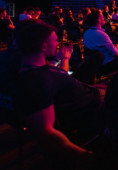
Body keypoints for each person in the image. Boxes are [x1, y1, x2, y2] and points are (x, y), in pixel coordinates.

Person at [15, 20, 101, 165]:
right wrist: (85, 156)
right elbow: (46, 131)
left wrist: (64, 59)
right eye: (55, 40)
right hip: (94, 109)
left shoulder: (38, 67)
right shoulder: (36, 81)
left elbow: (60, 77)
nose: (57, 44)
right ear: (43, 46)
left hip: (90, 96)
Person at [82, 10, 118, 74]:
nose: (104, 18)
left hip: (93, 64)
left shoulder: (86, 33)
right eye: (102, 17)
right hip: (106, 64)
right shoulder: (101, 34)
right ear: (99, 20)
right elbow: (115, 53)